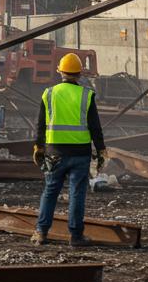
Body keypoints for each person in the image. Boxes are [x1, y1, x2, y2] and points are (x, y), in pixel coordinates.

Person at [31, 53, 106, 247]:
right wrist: (101, 151)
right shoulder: (86, 95)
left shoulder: (49, 93)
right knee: (77, 193)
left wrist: (38, 147)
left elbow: (40, 124)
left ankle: (41, 233)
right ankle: (75, 236)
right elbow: (95, 127)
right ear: (79, 74)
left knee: (50, 191)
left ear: (60, 72)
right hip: (80, 154)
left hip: (54, 152)